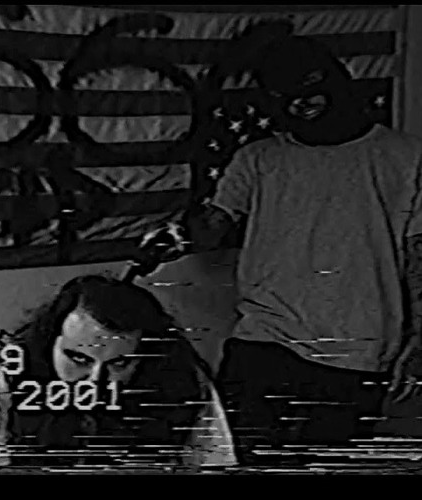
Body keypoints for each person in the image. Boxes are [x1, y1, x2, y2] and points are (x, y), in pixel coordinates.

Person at [137, 34, 422, 464]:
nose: (300, 105)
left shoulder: (407, 157)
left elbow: (419, 257)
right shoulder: (259, 158)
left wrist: (418, 342)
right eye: (283, 96)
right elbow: (216, 223)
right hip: (262, 337)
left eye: (310, 90)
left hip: (356, 349)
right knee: (241, 459)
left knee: (323, 466)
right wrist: (177, 237)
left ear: (338, 82)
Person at [0, 275, 236, 469]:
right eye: (78, 359)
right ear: (49, 341)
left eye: (119, 364)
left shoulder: (182, 377)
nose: (95, 381)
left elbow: (213, 462)